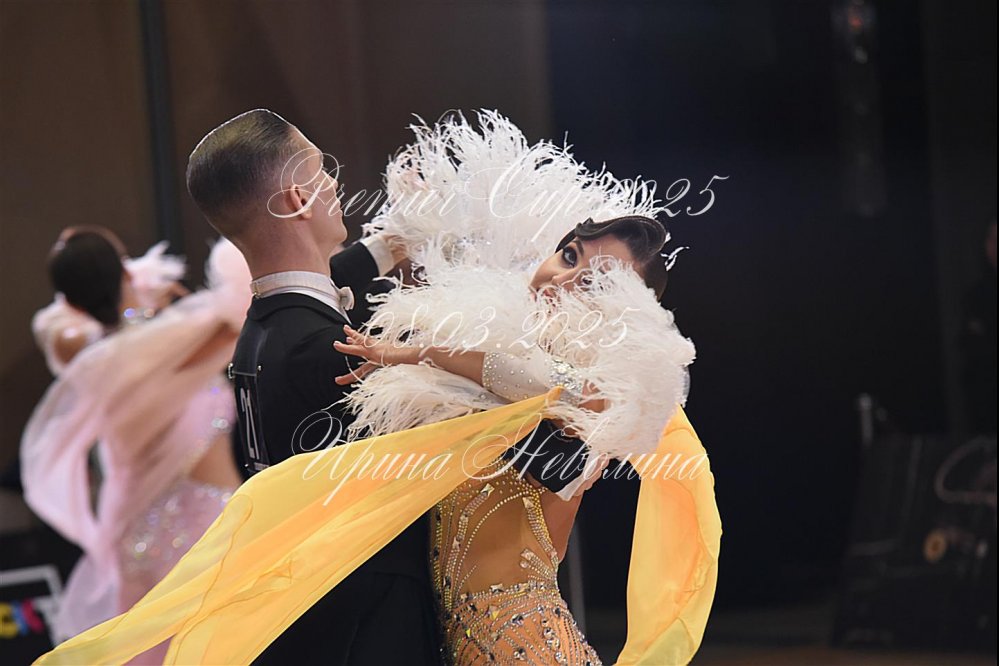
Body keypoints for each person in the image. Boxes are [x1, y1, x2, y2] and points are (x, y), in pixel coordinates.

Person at [34, 112, 720, 666]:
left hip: (516, 643)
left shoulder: (593, 391)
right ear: (296, 198)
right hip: (403, 634)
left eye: (595, 281)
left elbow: (542, 426)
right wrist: (411, 278)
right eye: (566, 255)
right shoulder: (325, 345)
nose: (564, 279)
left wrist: (420, 334)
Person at [184, 108, 439, 664]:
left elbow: (329, 279)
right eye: (323, 169)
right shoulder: (321, 351)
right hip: (371, 627)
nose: (335, 184)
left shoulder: (266, 327)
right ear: (298, 199)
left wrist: (393, 241)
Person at [22, 228, 250, 664]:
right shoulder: (184, 340)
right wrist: (147, 311)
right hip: (210, 529)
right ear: (126, 272)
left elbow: (61, 322)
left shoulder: (83, 352)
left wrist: (133, 308)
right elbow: (244, 312)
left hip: (137, 534)